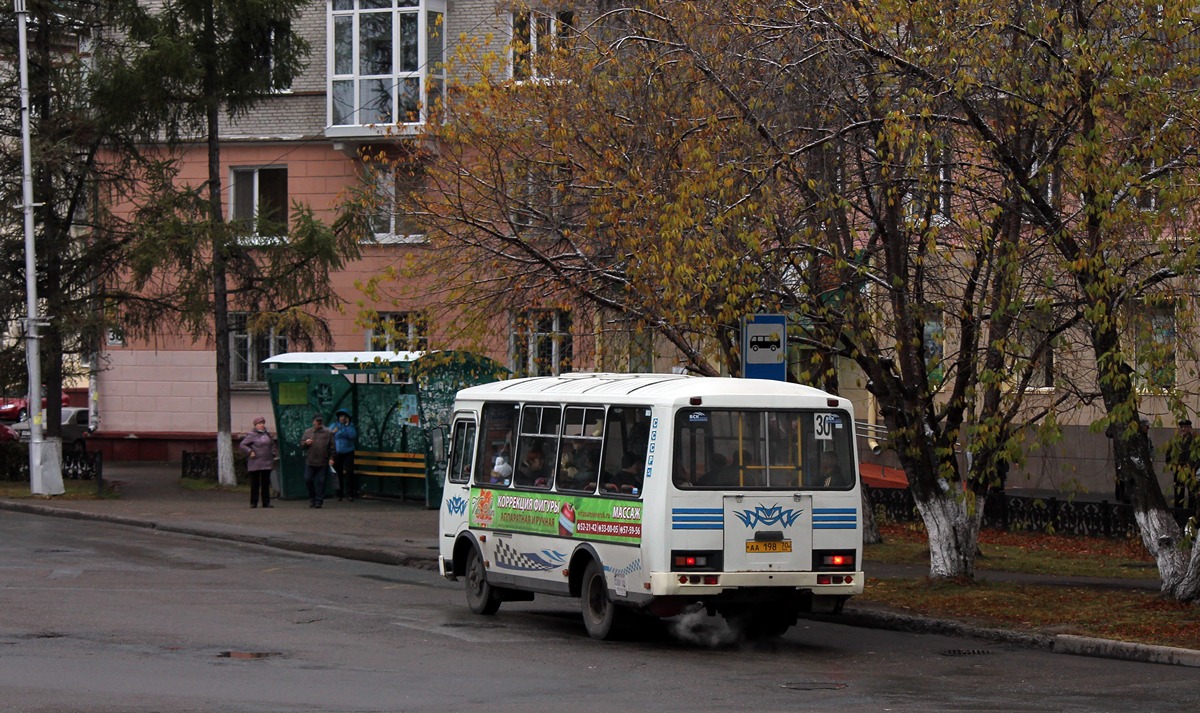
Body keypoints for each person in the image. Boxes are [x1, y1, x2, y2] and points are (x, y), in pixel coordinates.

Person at [238, 416, 275, 509]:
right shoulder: (252, 435)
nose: (262, 425)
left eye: (263, 423)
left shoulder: (267, 434)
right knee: (255, 483)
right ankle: (253, 502)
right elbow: (242, 445)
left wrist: (273, 453)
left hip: (266, 462)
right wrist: (250, 451)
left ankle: (266, 502)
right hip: (255, 463)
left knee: (265, 483)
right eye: (259, 424)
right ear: (255, 425)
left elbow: (272, 444)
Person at [300, 414, 335, 508]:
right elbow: (302, 445)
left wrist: (331, 458)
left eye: (320, 421)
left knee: (321, 482)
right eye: (317, 421)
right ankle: (313, 497)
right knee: (307, 479)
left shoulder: (328, 432)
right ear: (313, 422)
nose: (319, 423)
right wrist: (306, 443)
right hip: (310, 461)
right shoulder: (308, 432)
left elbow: (332, 447)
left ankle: (319, 500)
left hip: (322, 461)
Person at [1168, 419, 1198, 511]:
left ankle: (1191, 514)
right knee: (1178, 494)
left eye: (1185, 427)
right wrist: (1174, 467)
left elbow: (1197, 456)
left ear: (1190, 428)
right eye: (1182, 427)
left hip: (1191, 471)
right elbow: (1169, 455)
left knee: (1191, 495)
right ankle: (1178, 513)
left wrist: (1191, 467)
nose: (1183, 429)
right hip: (1178, 471)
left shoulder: (1194, 441)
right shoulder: (1175, 441)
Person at [331, 409, 358, 501]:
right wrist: (333, 432)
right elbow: (328, 434)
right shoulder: (334, 425)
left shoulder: (350, 426)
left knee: (349, 472)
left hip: (348, 452)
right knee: (337, 473)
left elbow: (352, 435)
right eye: (341, 416)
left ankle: (350, 493)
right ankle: (339, 493)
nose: (342, 418)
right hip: (337, 452)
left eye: (344, 417)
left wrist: (347, 426)